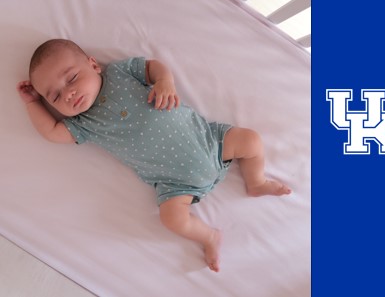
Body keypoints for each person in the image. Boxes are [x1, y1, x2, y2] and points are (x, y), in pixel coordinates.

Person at [16, 39, 291, 272]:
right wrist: (32, 103)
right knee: (172, 219)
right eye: (55, 97)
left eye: (72, 78)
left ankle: (255, 182)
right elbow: (51, 131)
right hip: (175, 184)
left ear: (93, 64)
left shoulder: (120, 73)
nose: (69, 93)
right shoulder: (83, 124)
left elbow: (152, 66)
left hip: (211, 141)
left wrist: (165, 82)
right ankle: (208, 237)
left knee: (251, 141)